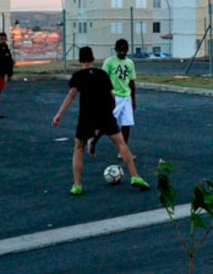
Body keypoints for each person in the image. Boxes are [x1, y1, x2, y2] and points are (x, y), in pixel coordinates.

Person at [52, 46, 150, 195]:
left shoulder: (78, 76)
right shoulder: (102, 74)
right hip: (105, 114)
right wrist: (112, 109)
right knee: (121, 144)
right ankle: (135, 176)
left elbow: (71, 95)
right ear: (92, 59)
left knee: (79, 148)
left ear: (80, 60)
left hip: (86, 115)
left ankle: (77, 185)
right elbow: (111, 95)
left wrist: (59, 114)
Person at [89, 39, 136, 157]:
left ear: (127, 50)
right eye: (120, 50)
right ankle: (93, 141)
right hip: (113, 96)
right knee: (107, 123)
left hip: (126, 96)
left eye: (124, 50)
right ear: (115, 50)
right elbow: (103, 79)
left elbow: (131, 82)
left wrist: (133, 99)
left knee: (126, 124)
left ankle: (122, 150)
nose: (122, 53)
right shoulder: (109, 62)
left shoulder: (130, 63)